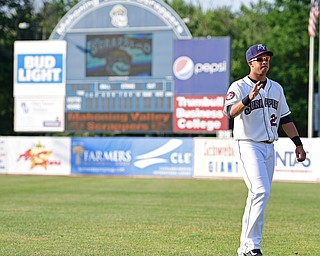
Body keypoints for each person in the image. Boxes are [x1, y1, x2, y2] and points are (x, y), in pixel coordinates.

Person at [223, 43, 306, 256]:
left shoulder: (276, 88)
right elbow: (230, 112)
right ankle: (250, 247)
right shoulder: (238, 86)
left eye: (267, 58)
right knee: (259, 191)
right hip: (248, 144)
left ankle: (249, 246)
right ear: (250, 62)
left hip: (270, 147)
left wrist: (297, 143)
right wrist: (249, 97)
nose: (264, 62)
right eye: (260, 59)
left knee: (260, 196)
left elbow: (285, 118)